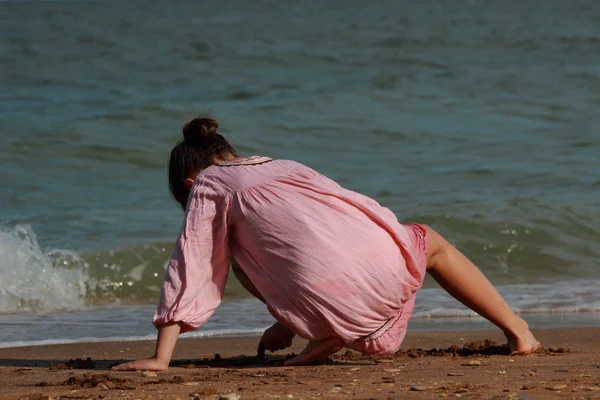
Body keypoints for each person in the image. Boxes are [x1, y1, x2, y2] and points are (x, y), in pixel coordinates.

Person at [112, 117, 540, 371]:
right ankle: (520, 333)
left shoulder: (207, 184)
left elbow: (194, 267)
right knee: (432, 242)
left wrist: (161, 358)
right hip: (389, 273)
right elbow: (344, 221)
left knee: (233, 254)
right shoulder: (285, 165)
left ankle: (324, 331)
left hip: (335, 306)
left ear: (189, 181)